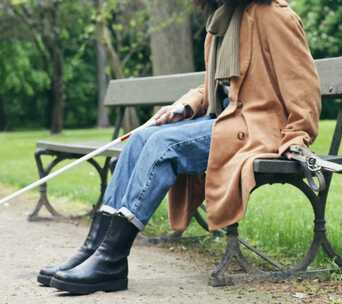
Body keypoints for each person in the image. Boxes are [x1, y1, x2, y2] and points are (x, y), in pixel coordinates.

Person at [37, 0, 321, 294]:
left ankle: (111, 259)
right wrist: (185, 105)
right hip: (225, 121)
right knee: (139, 139)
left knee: (162, 144)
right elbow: (212, 87)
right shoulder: (220, 22)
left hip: (257, 130)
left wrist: (298, 135)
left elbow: (303, 86)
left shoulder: (274, 16)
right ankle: (93, 249)